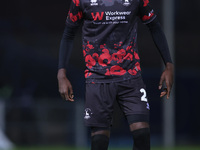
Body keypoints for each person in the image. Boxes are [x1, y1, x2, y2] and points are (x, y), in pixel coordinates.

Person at [57, 0, 174, 149]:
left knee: (142, 133)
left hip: (131, 76)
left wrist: (169, 65)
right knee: (99, 140)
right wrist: (61, 73)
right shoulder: (81, 1)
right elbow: (68, 33)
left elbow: (154, 26)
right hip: (97, 77)